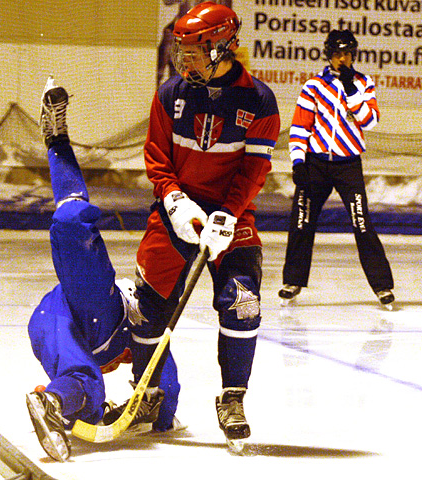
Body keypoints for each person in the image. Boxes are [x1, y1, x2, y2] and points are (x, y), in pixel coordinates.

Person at [105, 1, 280, 448]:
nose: (184, 59)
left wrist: (229, 213)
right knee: (146, 309)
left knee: (243, 302)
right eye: (181, 50)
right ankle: (148, 397)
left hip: (231, 214)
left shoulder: (259, 100)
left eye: (193, 50)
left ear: (222, 46)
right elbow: (157, 158)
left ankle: (233, 397)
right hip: (176, 211)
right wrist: (176, 202)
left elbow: (255, 169)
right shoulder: (170, 94)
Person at [25, 77, 182, 463]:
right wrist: (160, 410)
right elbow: (169, 387)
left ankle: (51, 404)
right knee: (71, 221)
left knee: (86, 391)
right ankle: (57, 140)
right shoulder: (137, 318)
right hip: (86, 311)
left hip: (50, 325)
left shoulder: (140, 341)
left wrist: (151, 407)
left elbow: (168, 389)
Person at [279, 29, 395, 309]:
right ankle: (293, 281)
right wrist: (297, 161)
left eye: (347, 54)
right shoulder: (314, 86)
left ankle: (382, 287)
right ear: (329, 55)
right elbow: (299, 127)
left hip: (348, 164)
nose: (342, 59)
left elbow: (369, 121)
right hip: (316, 163)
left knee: (362, 223)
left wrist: (351, 89)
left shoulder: (364, 83)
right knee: (301, 221)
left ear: (353, 55)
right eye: (337, 53)